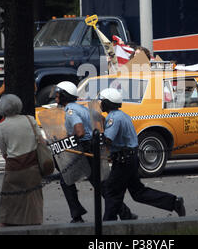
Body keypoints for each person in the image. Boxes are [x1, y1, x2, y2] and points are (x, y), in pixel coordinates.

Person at [51, 81, 137, 223]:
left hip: (84, 150)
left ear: (65, 96)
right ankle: (125, 213)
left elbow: (79, 131)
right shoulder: (82, 108)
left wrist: (65, 141)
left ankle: (77, 215)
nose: (55, 98)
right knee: (101, 185)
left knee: (67, 181)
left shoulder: (70, 111)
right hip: (92, 148)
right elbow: (101, 120)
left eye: (58, 95)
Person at [99, 88, 186, 221]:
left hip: (123, 161)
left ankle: (107, 224)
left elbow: (108, 140)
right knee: (138, 193)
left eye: (102, 101)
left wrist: (95, 140)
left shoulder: (113, 118)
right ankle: (174, 202)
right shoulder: (122, 115)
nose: (100, 104)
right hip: (130, 159)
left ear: (107, 103)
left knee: (111, 191)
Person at [0, 94, 43, 227]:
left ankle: (8, 225)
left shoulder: (0, 127)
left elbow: (4, 152)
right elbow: (40, 141)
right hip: (32, 166)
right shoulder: (30, 120)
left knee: (9, 202)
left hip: (13, 169)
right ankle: (34, 225)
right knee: (33, 200)